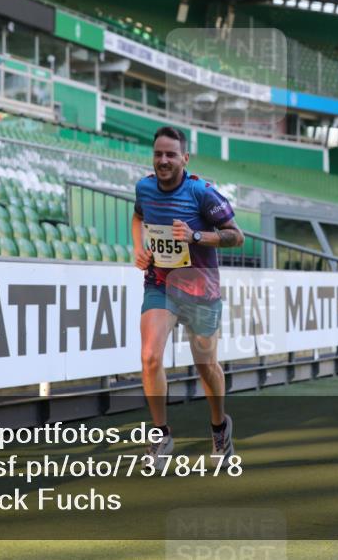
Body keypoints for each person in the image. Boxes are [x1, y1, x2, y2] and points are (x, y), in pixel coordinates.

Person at [132, 126, 245, 468]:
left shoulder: (201, 193)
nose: (163, 160)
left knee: (205, 365)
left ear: (184, 158)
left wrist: (196, 235)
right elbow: (139, 216)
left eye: (170, 154)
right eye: (158, 154)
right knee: (150, 356)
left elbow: (236, 237)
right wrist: (138, 249)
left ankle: (219, 425)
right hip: (161, 284)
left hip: (200, 289)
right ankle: (161, 434)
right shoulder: (145, 187)